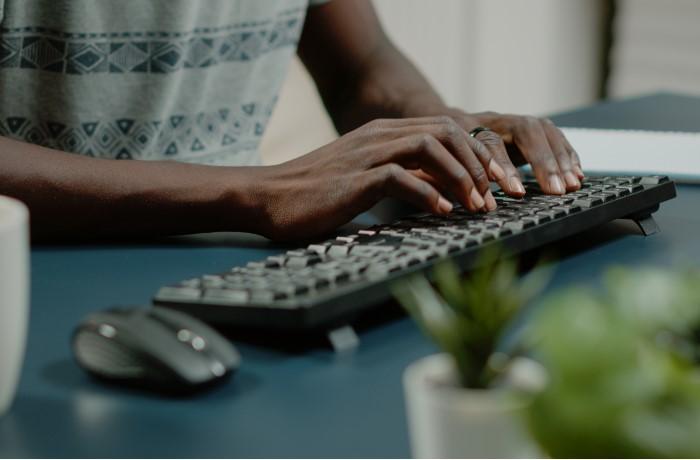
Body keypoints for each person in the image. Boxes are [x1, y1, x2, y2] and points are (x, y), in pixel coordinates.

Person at [0, 0, 583, 241]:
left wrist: (444, 132)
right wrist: (255, 190)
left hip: (226, 252)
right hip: (37, 270)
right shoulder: (249, 197)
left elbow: (361, 71)